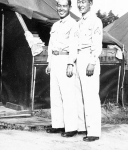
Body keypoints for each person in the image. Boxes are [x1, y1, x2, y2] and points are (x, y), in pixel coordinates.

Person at [45, 0, 86, 137]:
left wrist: (70, 63)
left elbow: (74, 45)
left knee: (68, 95)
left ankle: (71, 127)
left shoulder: (73, 24)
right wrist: (49, 62)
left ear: (70, 7)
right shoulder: (55, 25)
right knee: (55, 94)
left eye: (64, 6)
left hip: (65, 60)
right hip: (55, 60)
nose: (61, 9)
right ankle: (58, 125)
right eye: (59, 6)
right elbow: (51, 45)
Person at [67, 0, 103, 142]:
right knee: (79, 95)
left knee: (90, 96)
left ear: (90, 3)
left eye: (84, 2)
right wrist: (71, 62)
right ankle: (83, 127)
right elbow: (74, 44)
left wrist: (92, 61)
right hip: (78, 58)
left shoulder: (95, 21)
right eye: (79, 2)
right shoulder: (78, 23)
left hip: (89, 57)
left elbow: (97, 42)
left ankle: (93, 131)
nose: (81, 5)